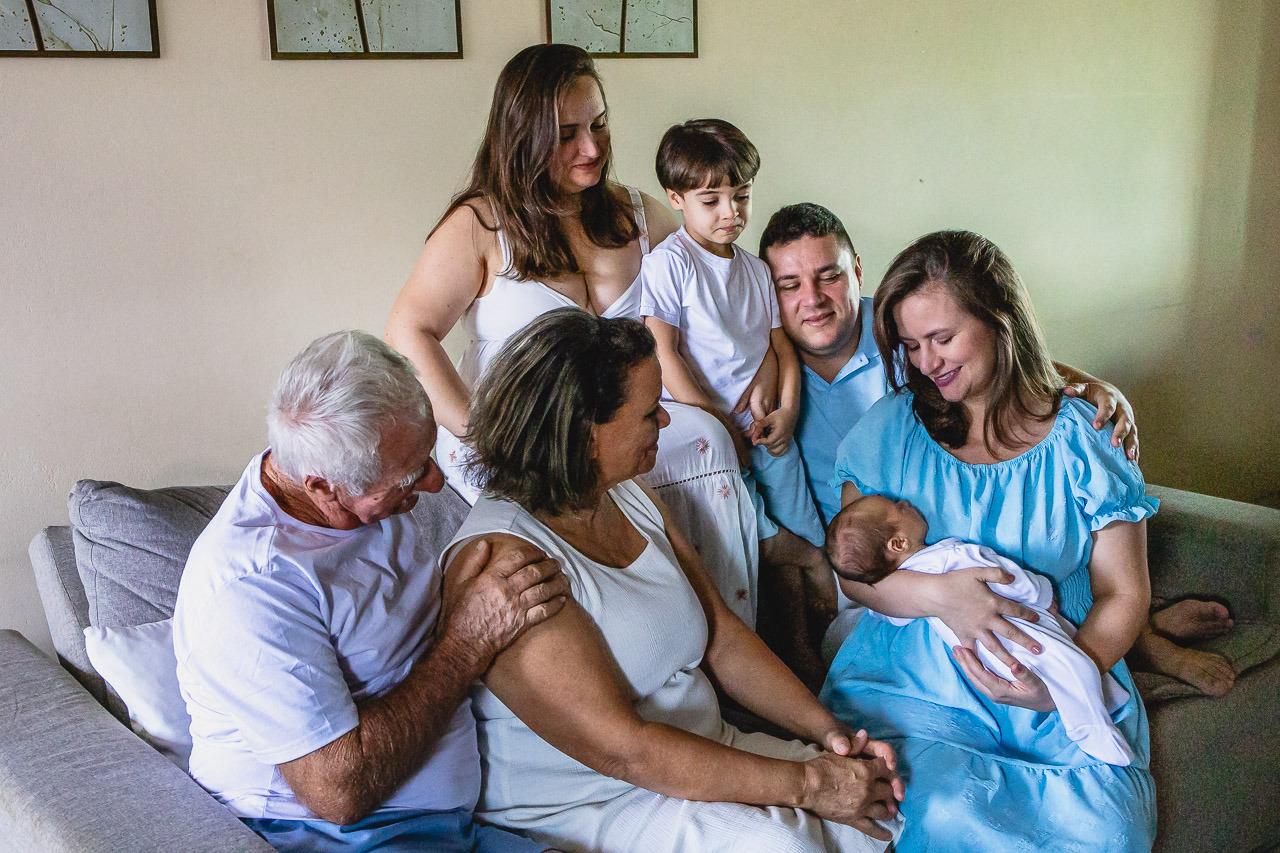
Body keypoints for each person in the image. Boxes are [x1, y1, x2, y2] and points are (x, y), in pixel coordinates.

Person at [446, 309, 904, 853]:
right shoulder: (506, 562)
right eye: (649, 412)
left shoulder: (624, 491)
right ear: (585, 433)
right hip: (598, 799)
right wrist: (811, 784)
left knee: (882, 807)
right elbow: (626, 751)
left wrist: (829, 735)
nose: (665, 419)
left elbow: (721, 636)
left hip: (700, 749)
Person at [758, 202, 1235, 692]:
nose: (925, 362)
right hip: (883, 573)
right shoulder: (769, 375)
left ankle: (1141, 639)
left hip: (1034, 623)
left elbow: (1007, 370)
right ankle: (1143, 641)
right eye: (788, 284)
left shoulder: (906, 326)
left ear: (856, 271)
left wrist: (1095, 389)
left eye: (828, 275)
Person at [386, 44, 759, 629]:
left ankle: (722, 633)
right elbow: (409, 330)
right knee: (563, 476)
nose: (592, 148)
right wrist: (476, 429)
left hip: (626, 419)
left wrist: (765, 375)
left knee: (708, 436)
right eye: (566, 135)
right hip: (519, 429)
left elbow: (715, 294)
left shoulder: (639, 214)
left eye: (599, 125)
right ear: (523, 137)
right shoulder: (481, 225)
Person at [171, 331, 569, 853]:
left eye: (429, 456)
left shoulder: (360, 482)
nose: (434, 483)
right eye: (411, 476)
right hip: (337, 836)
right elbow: (338, 793)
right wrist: (467, 643)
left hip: (447, 823)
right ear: (321, 487)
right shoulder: (251, 586)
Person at [823, 230, 1157, 851]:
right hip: (918, 688)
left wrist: (1060, 685)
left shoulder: (1087, 438)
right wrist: (943, 598)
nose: (926, 363)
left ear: (1000, 320)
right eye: (911, 345)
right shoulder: (890, 429)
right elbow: (855, 574)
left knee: (1109, 832)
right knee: (940, 815)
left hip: (1059, 675)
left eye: (942, 338)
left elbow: (1125, 592)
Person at [638, 119, 831, 685]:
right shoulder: (670, 263)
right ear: (676, 199)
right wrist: (716, 424)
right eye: (712, 200)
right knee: (764, 542)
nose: (731, 212)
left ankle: (806, 654)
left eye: (741, 196)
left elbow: (779, 346)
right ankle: (776, 660)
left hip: (766, 427)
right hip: (710, 438)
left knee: (799, 531)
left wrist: (786, 408)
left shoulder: (754, 269)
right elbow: (664, 352)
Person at [827, 494, 1134, 766]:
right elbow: (1007, 577)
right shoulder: (952, 554)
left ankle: (1089, 715)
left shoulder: (902, 585)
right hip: (1020, 635)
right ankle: (1089, 725)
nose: (904, 502)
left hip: (984, 658)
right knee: (1074, 666)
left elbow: (890, 614)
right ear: (898, 543)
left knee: (1067, 672)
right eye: (898, 507)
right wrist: (1043, 593)